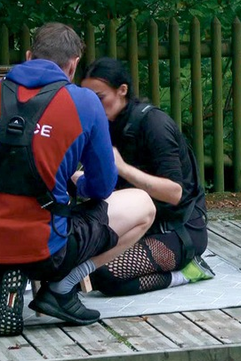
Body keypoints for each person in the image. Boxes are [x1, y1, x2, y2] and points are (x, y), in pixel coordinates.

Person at [0, 23, 155, 334]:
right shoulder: (86, 103)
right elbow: (103, 187)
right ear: (73, 65)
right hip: (49, 252)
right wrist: (76, 184)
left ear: (28, 56)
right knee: (143, 205)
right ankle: (62, 288)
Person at [81, 57, 212, 296]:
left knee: (105, 275)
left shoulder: (154, 124)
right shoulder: (105, 125)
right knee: (73, 260)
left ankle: (186, 273)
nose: (93, 106)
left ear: (122, 91)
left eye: (99, 98)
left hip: (176, 230)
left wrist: (122, 168)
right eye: (87, 99)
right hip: (133, 225)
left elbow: (174, 193)